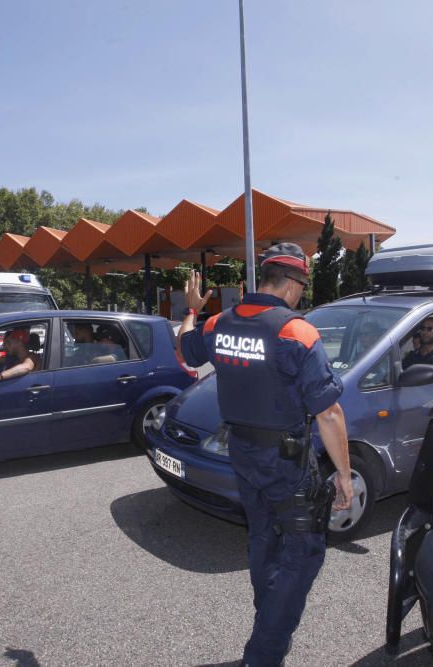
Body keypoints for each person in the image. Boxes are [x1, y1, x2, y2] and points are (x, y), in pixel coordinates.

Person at [178, 243, 353, 667]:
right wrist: (345, 477)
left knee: (263, 540)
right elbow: (328, 412)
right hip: (286, 463)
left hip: (242, 455)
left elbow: (185, 351)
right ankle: (265, 652)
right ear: (293, 285)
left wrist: (192, 309)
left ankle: (268, 622)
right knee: (305, 552)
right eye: (303, 288)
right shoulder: (297, 331)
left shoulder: (220, 322)